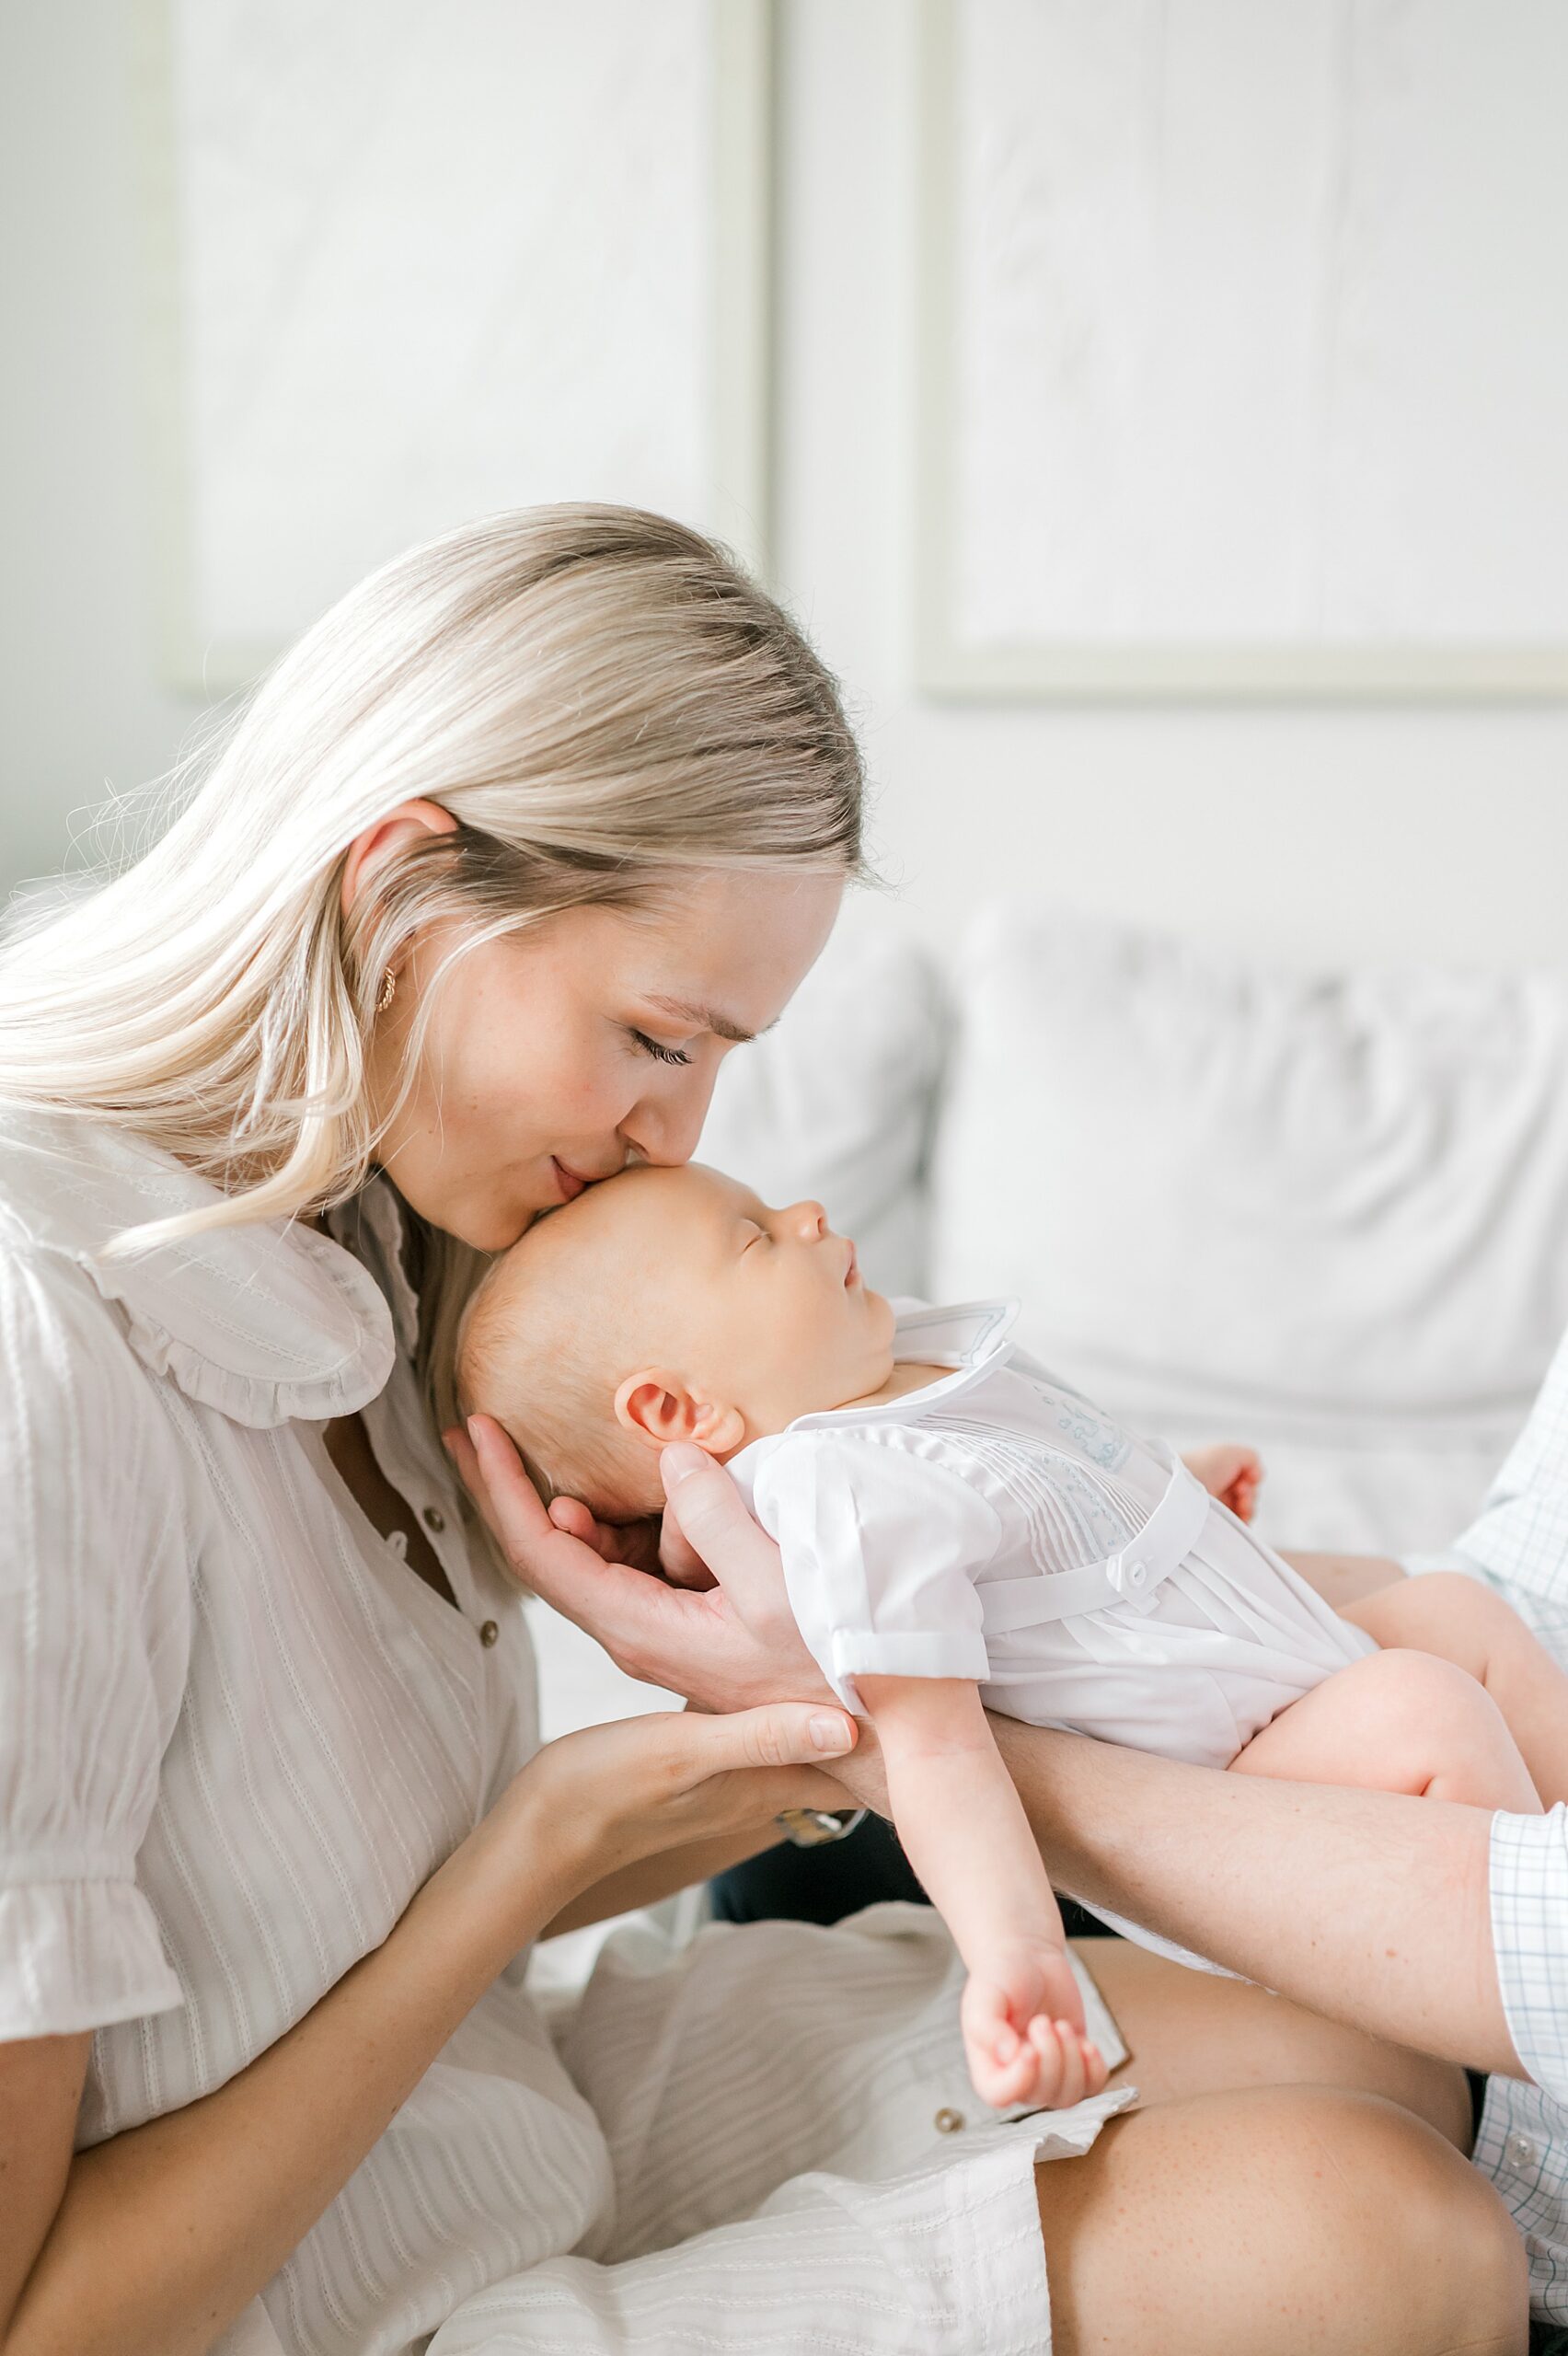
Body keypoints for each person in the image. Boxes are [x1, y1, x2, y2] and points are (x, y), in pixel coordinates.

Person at [0, 506, 1523, 2356]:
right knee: (1388, 2244)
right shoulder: (48, 1341)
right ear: (403, 892)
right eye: (656, 1035)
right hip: (304, 2281)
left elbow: (405, 1863)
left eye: (725, 1055)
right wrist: (534, 1857)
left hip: (492, 2111)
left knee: (1413, 2059)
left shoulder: (404, 1233)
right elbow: (46, 2316)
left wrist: (826, 1702)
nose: (684, 1134)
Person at [455, 1158, 1568, 2112]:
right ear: (674, 1411)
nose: (803, 1214)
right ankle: (1521, 2054)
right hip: (1226, 1770)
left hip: (1239, 1667)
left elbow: (1033, 1509)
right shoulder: (835, 1491)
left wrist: (1167, 1492)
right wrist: (1019, 1957)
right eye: (751, 1236)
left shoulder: (895, 1378)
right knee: (1425, 1706)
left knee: (1450, 1614)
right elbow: (932, 1748)